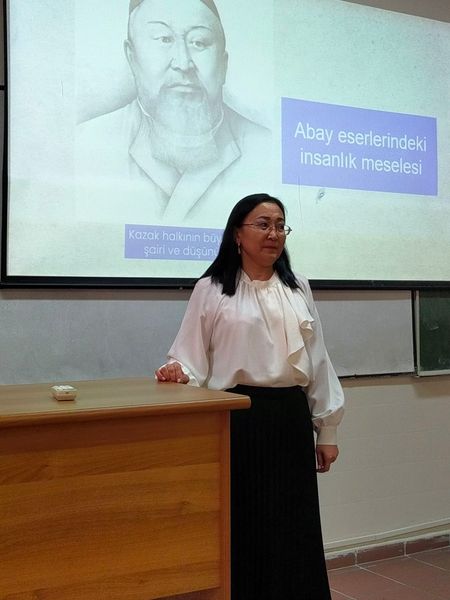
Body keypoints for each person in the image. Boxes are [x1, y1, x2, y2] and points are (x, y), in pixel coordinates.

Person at [155, 193, 344, 599]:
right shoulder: (211, 289)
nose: (273, 233)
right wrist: (178, 372)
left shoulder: (297, 287)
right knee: (243, 522)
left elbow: (318, 359)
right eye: (262, 224)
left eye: (280, 225)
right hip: (238, 419)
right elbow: (189, 356)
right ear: (237, 234)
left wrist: (326, 429)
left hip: (289, 418)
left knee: (293, 524)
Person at [75, 0, 271, 225]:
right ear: (132, 57)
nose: (183, 63)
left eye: (199, 42)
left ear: (223, 65)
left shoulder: (265, 148)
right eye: (164, 39)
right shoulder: (87, 142)